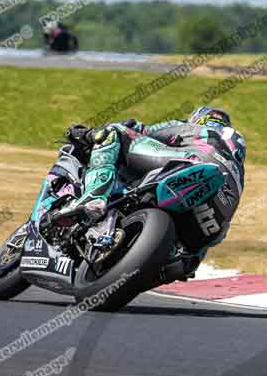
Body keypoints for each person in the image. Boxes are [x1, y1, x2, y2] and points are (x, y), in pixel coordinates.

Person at [36, 106, 245, 278]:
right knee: (194, 249)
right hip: (220, 206)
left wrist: (88, 134)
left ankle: (94, 196)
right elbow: (217, 235)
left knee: (113, 133)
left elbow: (140, 130)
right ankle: (180, 258)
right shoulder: (236, 153)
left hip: (190, 161)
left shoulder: (188, 127)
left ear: (197, 118)